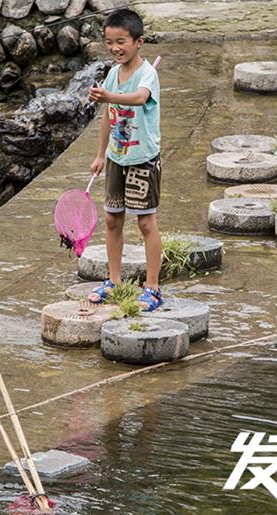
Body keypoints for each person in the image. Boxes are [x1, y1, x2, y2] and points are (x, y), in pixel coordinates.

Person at [87, 8, 163, 311]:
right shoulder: (112, 73)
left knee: (145, 222)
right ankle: (114, 281)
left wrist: (108, 96)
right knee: (111, 218)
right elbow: (108, 116)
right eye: (109, 42)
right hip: (117, 156)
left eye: (121, 42)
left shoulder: (148, 73)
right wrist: (100, 154)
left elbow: (140, 98)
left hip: (142, 157)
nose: (115, 48)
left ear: (139, 42)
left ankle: (153, 288)